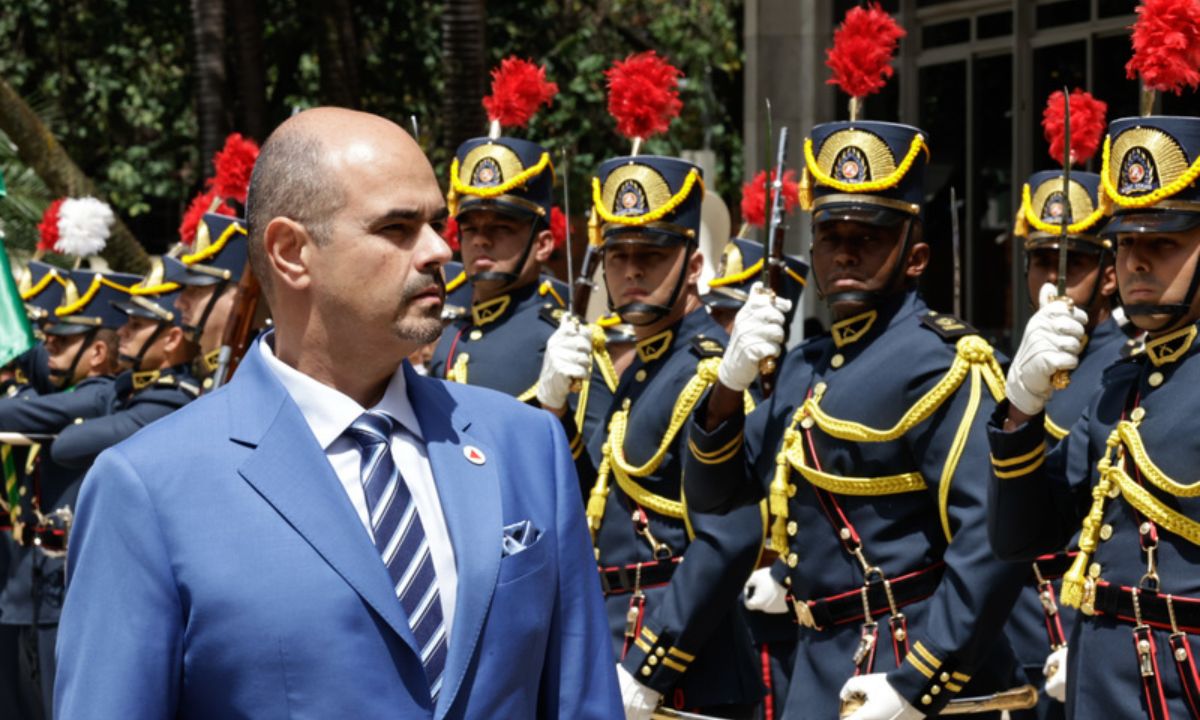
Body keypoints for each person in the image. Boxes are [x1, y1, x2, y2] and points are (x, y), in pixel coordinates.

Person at [54, 107, 620, 719]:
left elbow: (581, 697)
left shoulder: (523, 442)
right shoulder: (148, 487)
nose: (439, 250)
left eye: (435, 223)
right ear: (292, 252)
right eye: (398, 228)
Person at [685, 119, 1028, 719]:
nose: (845, 251)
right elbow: (716, 497)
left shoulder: (939, 362)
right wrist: (727, 387)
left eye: (868, 236)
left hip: (904, 669)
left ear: (915, 256)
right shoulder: (802, 367)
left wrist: (919, 678)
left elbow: (993, 538)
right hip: (817, 665)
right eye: (829, 233)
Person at [989, 112, 1200, 719]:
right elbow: (1020, 537)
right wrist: (1021, 411)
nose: (1137, 262)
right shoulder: (1121, 383)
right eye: (1128, 242)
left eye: (1163, 243)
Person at [539, 154, 766, 719]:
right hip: (617, 646)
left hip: (689, 671)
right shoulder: (643, 368)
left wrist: (651, 665)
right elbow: (600, 506)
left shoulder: (711, 372)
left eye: (652, 255)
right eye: (618, 256)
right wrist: (555, 412)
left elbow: (727, 538)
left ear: (692, 265)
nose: (632, 271)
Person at [1004, 162, 1136, 719]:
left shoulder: (1120, 372)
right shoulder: (1016, 362)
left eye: (1075, 262)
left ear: (1108, 274)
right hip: (1011, 630)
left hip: (1073, 629)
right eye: (1038, 261)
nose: (1051, 279)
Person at [0, 269, 128, 719]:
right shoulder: (48, 398)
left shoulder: (99, 396)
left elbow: (25, 412)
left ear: (97, 352)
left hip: (65, 594)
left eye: (58, 344)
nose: (44, 351)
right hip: (26, 589)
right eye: (44, 341)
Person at [702, 234, 809, 720]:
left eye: (732, 315)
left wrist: (787, 575)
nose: (724, 326)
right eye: (723, 316)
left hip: (797, 610)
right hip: (736, 601)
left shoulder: (800, 389)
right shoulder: (733, 387)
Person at [427, 119, 567, 400]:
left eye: (501, 228)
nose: (481, 240)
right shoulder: (454, 330)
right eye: (471, 228)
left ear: (542, 245)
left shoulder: (557, 340)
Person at [49, 262, 200, 470]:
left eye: (136, 325)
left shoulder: (171, 398)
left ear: (172, 339)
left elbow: (65, 445)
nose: (121, 332)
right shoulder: (128, 387)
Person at [164, 212, 252, 390]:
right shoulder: (214, 374)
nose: (179, 303)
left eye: (195, 290)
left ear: (236, 299)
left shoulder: (248, 378)